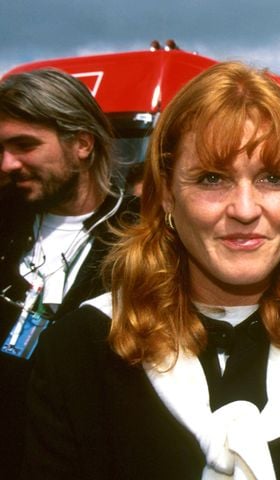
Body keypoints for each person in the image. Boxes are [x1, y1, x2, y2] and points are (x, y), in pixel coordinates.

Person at [22, 62, 280, 479]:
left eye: (271, 178)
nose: (245, 210)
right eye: (212, 178)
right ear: (168, 196)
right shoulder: (81, 349)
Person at [0, 68, 131, 477]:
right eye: (0, 148)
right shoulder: (5, 222)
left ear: (82, 144)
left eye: (25, 145)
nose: (8, 164)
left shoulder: (142, 237)